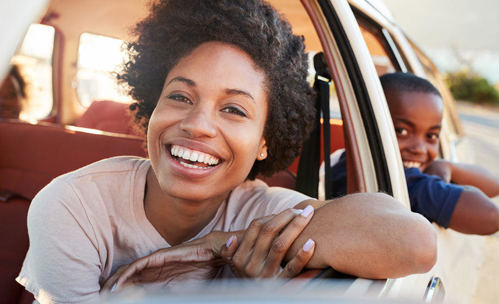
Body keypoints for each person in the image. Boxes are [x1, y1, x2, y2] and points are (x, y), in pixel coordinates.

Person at [16, 1, 436, 302]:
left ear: (265, 140)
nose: (198, 125)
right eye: (180, 96)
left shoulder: (261, 213)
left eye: (234, 109)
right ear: (151, 104)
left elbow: (415, 243)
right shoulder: (74, 204)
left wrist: (219, 243)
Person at [329, 72, 499, 234]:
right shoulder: (408, 184)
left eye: (431, 136)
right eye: (401, 131)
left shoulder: (342, 163)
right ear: (365, 125)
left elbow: (495, 186)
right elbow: (491, 217)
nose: (419, 148)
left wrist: (446, 166)